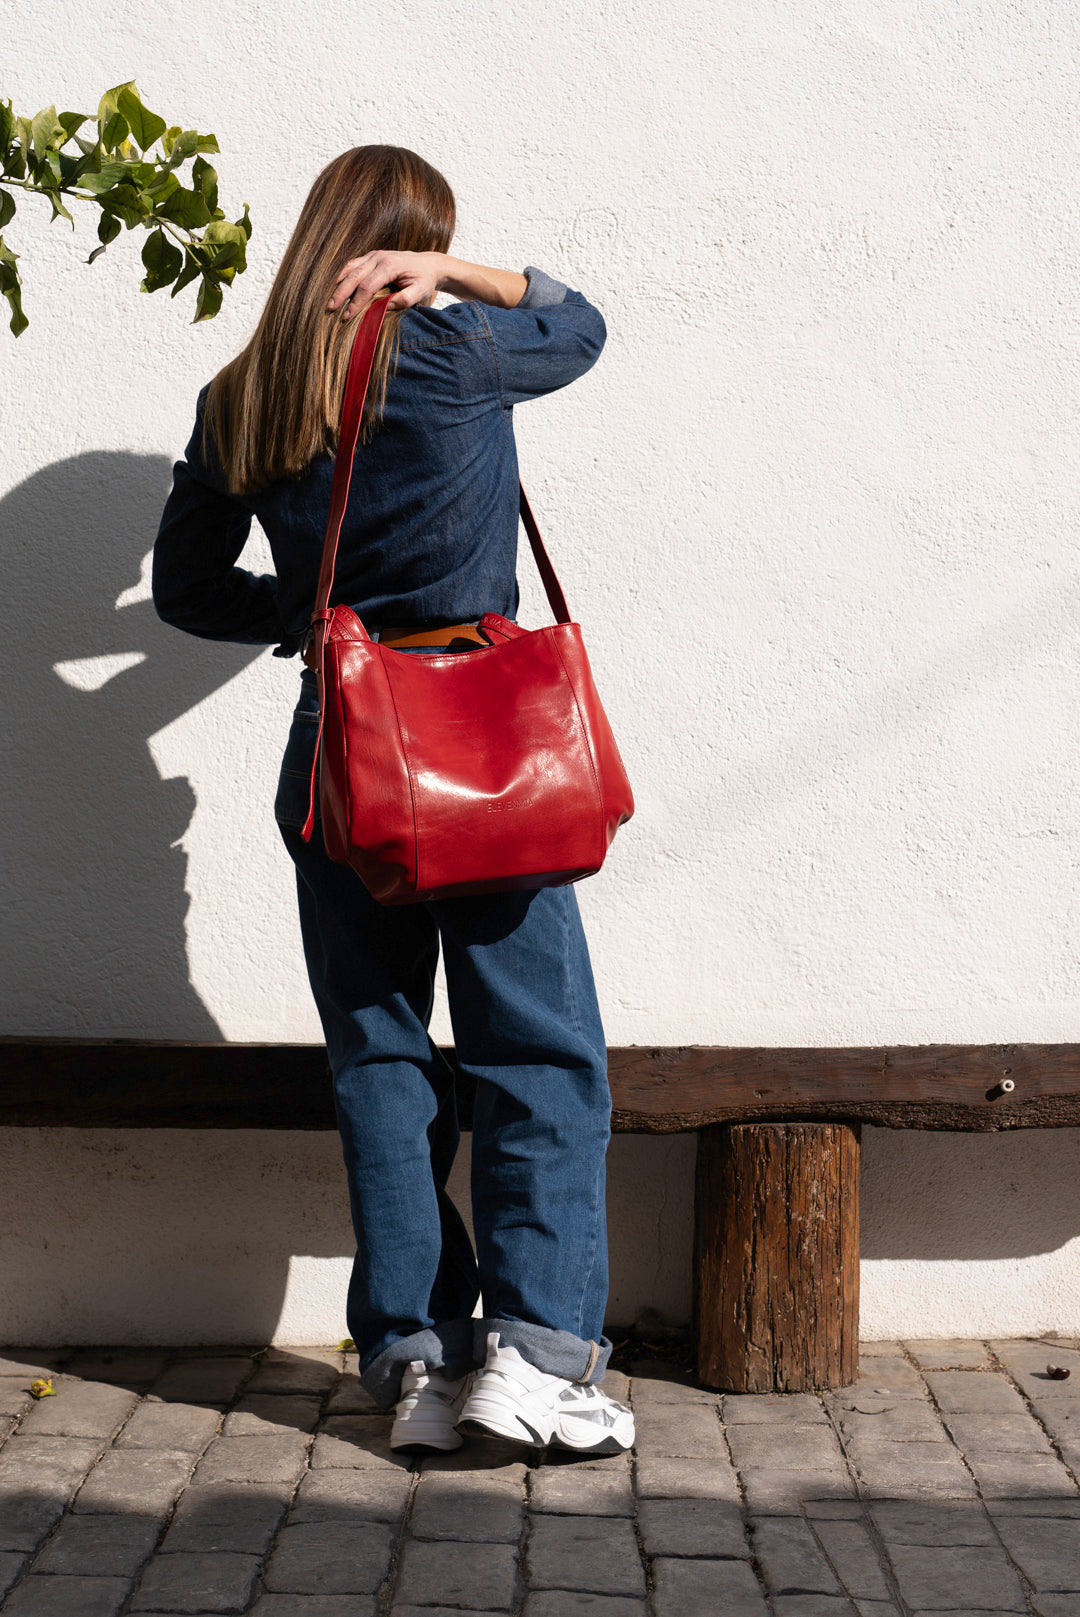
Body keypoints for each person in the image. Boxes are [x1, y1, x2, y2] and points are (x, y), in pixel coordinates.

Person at [152, 145, 634, 1458]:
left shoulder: (243, 391)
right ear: (410, 246)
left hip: (337, 754)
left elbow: (188, 590)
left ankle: (414, 1360)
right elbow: (581, 319)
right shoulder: (456, 348)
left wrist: (310, 622)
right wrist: (459, 273)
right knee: (535, 1049)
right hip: (479, 746)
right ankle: (535, 1358)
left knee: (380, 1057)